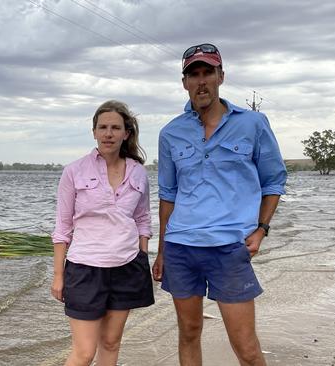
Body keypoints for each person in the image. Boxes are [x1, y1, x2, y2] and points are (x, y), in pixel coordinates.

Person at [152, 43, 287, 366]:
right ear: (184, 83)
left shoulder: (253, 124)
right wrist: (161, 251)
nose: (201, 81)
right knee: (189, 332)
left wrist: (262, 229)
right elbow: (167, 194)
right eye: (193, 75)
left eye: (207, 73)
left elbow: (273, 181)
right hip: (181, 246)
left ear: (220, 77)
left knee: (246, 347)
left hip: (229, 248)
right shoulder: (170, 133)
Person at [51, 100, 154, 366]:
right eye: (103, 127)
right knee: (84, 353)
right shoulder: (73, 171)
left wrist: (142, 257)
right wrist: (59, 276)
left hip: (127, 267)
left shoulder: (139, 173)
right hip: (85, 268)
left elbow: (142, 219)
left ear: (126, 133)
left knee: (111, 343)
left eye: (115, 128)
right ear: (94, 132)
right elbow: (63, 228)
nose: (109, 133)